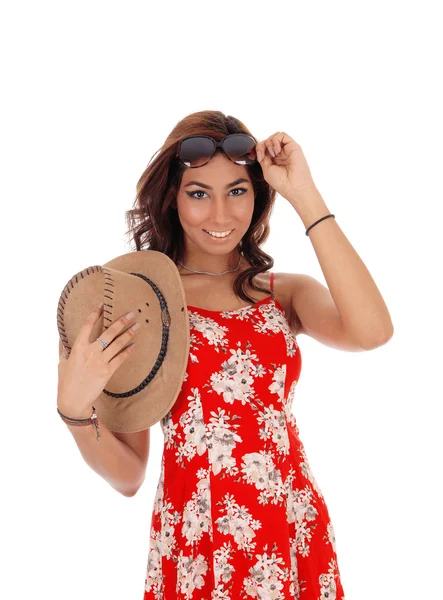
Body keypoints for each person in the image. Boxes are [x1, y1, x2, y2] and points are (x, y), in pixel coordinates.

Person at [58, 110, 394, 599]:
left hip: (290, 528)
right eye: (199, 194)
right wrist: (75, 413)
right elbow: (129, 475)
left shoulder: (283, 294)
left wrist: (304, 195)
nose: (221, 215)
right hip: (198, 542)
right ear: (172, 199)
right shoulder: (146, 304)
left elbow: (373, 331)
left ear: (257, 196)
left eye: (237, 191)